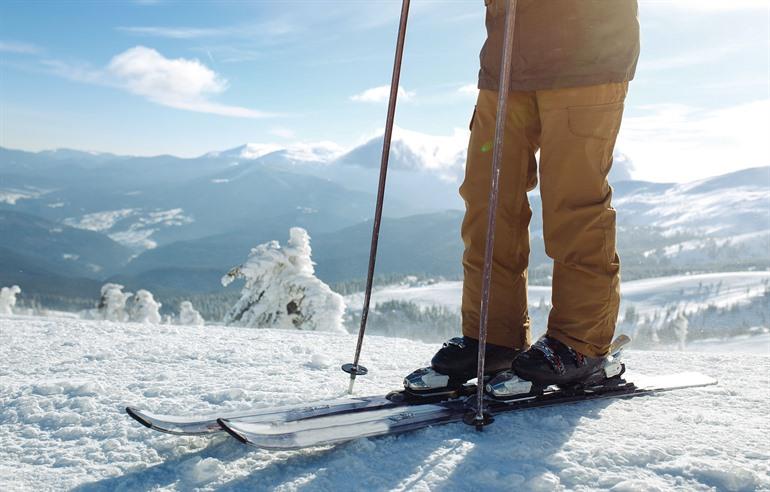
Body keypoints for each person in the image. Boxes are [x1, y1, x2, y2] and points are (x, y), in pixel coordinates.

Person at [430, 0, 640, 387]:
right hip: (506, 64)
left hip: (587, 54)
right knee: (488, 201)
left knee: (572, 203)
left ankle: (580, 343)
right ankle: (493, 336)